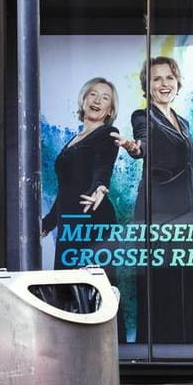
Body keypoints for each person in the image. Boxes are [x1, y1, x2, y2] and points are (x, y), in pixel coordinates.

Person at [119, 56, 193, 344]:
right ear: (147, 86)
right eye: (156, 79)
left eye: (169, 78)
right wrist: (136, 148)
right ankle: (159, 348)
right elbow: (143, 143)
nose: (164, 84)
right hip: (158, 213)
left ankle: (189, 348)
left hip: (186, 213)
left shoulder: (183, 122)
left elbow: (184, 172)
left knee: (189, 281)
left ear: (177, 83)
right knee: (160, 283)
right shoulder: (143, 117)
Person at [41, 77, 121, 275]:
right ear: (83, 100)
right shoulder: (74, 139)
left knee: (94, 293)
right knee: (67, 290)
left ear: (109, 110)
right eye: (93, 94)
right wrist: (47, 224)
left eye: (104, 98)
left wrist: (100, 186)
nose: (97, 101)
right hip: (70, 223)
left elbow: (104, 163)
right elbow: (66, 189)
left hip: (93, 220)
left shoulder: (108, 133)